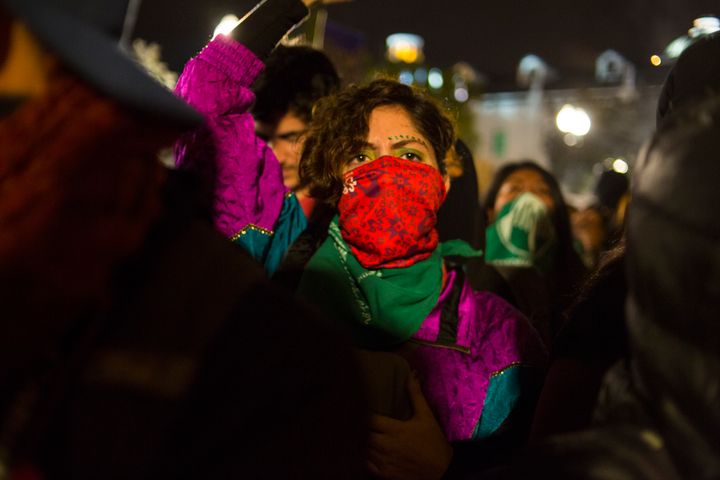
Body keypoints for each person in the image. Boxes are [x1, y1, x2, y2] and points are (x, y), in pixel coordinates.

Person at [0, 0, 369, 478]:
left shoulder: (283, 356)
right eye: (267, 131)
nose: (281, 149)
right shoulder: (242, 198)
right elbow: (211, 96)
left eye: (295, 134)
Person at [483, 161, 587, 343]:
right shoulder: (460, 276)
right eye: (514, 188)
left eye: (541, 191)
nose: (528, 198)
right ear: (491, 212)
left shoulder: (581, 286)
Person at [252, 45, 341, 219]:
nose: (275, 157)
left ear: (325, 131)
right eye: (261, 137)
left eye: (290, 137)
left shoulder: (348, 220)